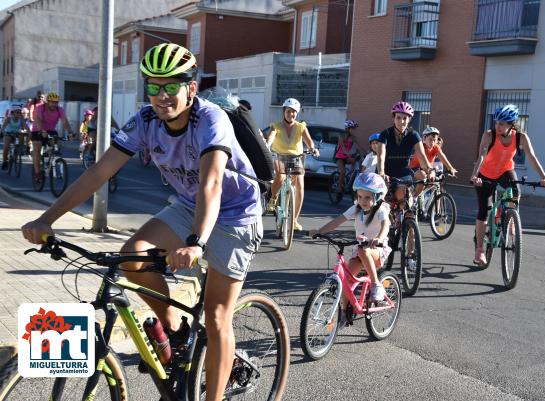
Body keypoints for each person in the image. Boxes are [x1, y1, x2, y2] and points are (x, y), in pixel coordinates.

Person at [21, 43, 262, 401]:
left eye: (171, 86)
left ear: (191, 88)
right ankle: (176, 329)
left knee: (216, 317)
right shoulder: (146, 122)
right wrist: (46, 219)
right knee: (132, 255)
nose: (161, 96)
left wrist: (196, 242)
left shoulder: (211, 120)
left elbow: (211, 183)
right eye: (153, 86)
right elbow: (99, 172)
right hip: (186, 205)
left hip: (234, 214)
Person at [470, 104, 545, 265]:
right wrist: (474, 175)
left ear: (511, 124)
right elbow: (482, 156)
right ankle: (479, 250)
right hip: (485, 174)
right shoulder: (489, 135)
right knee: (484, 211)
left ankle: (510, 220)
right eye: (497, 122)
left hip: (505, 172)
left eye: (502, 123)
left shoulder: (521, 137)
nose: (497, 126)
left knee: (515, 192)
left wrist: (544, 177)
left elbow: (532, 158)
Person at [309, 172, 392, 324]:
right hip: (360, 252)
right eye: (360, 197)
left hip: (376, 251)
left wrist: (378, 238)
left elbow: (386, 225)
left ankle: (377, 285)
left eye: (367, 197)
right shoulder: (357, 209)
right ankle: (344, 313)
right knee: (345, 281)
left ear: (378, 196)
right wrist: (320, 231)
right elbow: (337, 221)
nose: (362, 201)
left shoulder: (381, 210)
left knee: (363, 250)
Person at [265, 97, 320, 230]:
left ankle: (294, 220)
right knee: (281, 176)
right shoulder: (276, 126)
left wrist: (313, 149)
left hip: (296, 158)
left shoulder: (301, 127)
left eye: (294, 112)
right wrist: (267, 145)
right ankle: (273, 199)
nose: (291, 114)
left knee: (300, 186)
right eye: (289, 111)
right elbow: (271, 138)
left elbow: (309, 142)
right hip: (280, 156)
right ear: (284, 111)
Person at [376, 101, 436, 208]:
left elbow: (422, 156)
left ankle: (406, 219)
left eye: (405, 118)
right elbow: (381, 155)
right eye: (398, 118)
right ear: (393, 118)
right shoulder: (385, 134)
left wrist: (430, 170)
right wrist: (381, 172)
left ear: (409, 119)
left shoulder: (413, 135)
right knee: (381, 203)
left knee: (407, 199)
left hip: (403, 172)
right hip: (386, 172)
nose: (401, 121)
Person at [30, 92, 75, 181]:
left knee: (56, 143)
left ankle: (51, 156)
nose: (54, 104)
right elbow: (38, 119)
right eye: (52, 102)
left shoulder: (59, 109)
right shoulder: (40, 108)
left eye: (56, 102)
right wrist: (42, 130)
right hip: (37, 130)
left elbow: (64, 121)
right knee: (37, 148)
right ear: (47, 102)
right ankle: (37, 172)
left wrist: (70, 132)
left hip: (51, 130)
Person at [335, 119, 359, 193]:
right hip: (339, 157)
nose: (353, 130)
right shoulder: (341, 136)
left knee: (357, 166)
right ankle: (339, 187)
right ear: (347, 129)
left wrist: (366, 153)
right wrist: (349, 155)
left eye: (354, 129)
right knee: (343, 171)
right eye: (352, 129)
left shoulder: (353, 137)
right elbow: (343, 147)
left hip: (347, 157)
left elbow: (359, 146)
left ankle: (349, 181)